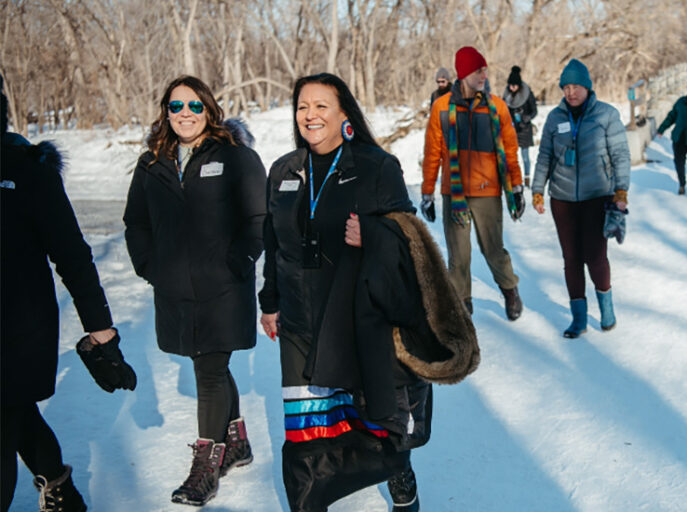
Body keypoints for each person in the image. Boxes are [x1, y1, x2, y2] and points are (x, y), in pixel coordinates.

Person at [260, 72, 477, 512]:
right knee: (305, 435)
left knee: (375, 420)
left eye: (322, 105)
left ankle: (399, 475)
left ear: (345, 115)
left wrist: (374, 235)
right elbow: (272, 240)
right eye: (303, 106)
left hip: (356, 321)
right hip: (300, 322)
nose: (310, 115)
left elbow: (409, 241)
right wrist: (269, 302)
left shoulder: (377, 166)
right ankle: (307, 503)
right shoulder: (283, 170)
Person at [123, 75, 266, 506]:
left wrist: (236, 263)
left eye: (193, 106)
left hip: (223, 287)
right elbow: (136, 222)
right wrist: (151, 268)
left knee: (209, 368)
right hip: (174, 288)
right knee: (208, 366)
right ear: (165, 113)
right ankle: (237, 443)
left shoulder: (236, 157)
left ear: (209, 108)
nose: (185, 114)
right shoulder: (152, 163)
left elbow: (258, 218)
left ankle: (206, 465)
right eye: (175, 106)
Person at [2, 76, 121, 512]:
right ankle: (59, 488)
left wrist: (100, 330)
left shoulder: (26, 170)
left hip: (16, 331)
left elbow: (72, 255)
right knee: (17, 414)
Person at [421, 46, 526, 320]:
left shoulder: (496, 107)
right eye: (478, 70)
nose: (484, 75)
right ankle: (462, 304)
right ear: (464, 72)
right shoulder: (441, 108)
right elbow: (432, 153)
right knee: (459, 256)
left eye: (485, 70)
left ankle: (509, 289)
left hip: (487, 191)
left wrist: (516, 186)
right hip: (453, 195)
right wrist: (427, 193)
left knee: (493, 250)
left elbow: (510, 150)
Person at [531, 58, 631, 338]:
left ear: (587, 87)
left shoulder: (606, 115)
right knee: (571, 258)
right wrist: (538, 190)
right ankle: (578, 319)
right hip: (561, 199)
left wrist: (621, 190)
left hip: (597, 195)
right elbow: (545, 156)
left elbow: (621, 155)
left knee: (596, 256)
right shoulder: (554, 118)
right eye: (566, 87)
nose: (570, 92)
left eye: (576, 86)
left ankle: (606, 307)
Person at [502, 65, 538, 187]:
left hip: (525, 129)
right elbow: (503, 111)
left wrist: (526, 118)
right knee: (511, 157)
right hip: (511, 130)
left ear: (519, 85)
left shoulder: (527, 93)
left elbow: (534, 110)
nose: (512, 87)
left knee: (525, 156)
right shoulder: (506, 95)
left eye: (514, 85)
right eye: (510, 85)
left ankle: (527, 178)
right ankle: (513, 179)